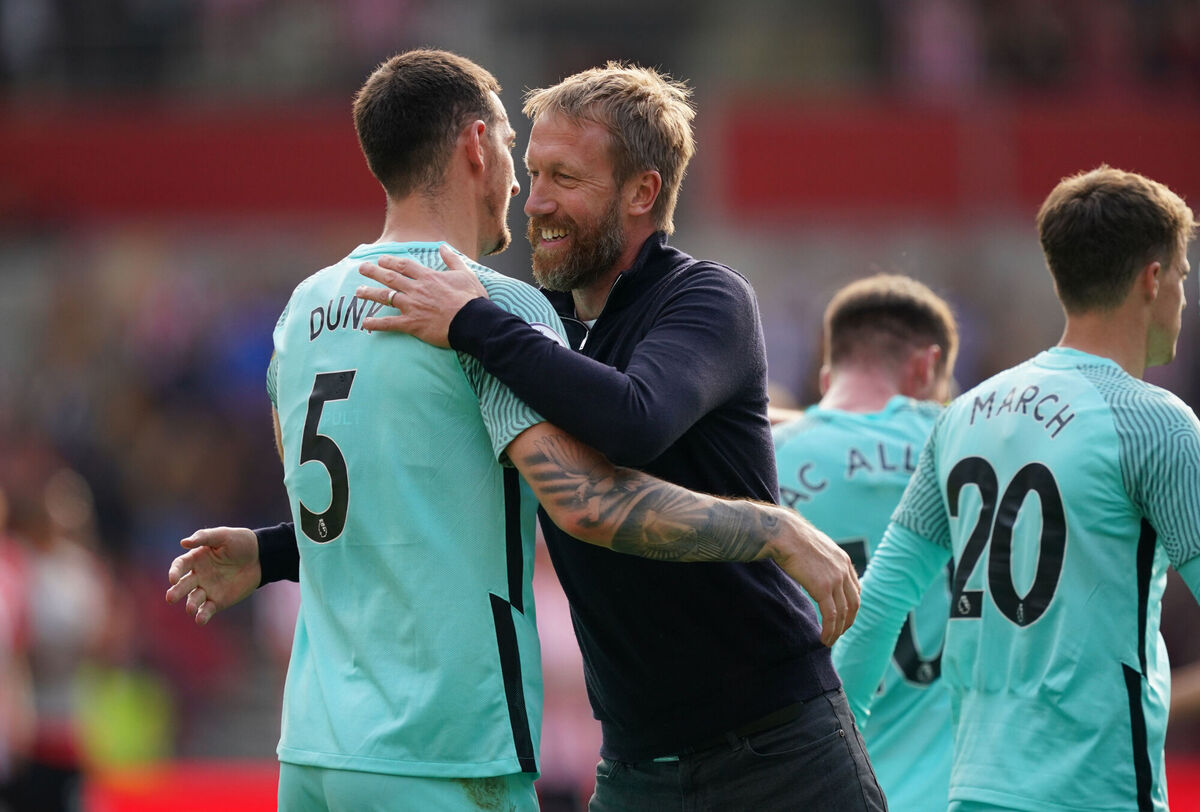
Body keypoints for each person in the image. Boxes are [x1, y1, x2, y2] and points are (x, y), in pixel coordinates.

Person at [172, 62, 884, 810]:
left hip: (772, 736)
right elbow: (439, 488)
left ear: (643, 192)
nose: (533, 199)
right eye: (532, 167)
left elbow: (633, 421)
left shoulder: (703, 298)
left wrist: (477, 323)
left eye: (564, 179)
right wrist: (282, 548)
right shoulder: (521, 321)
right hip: (636, 759)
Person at [832, 165, 1199, 812]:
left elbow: (875, 609)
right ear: (1153, 278)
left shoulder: (963, 416)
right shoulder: (1153, 423)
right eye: (1183, 276)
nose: (1183, 298)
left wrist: (830, 767)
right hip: (1097, 791)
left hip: (973, 791)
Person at [772, 273, 957, 812]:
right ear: (927, 366)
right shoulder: (971, 450)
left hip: (814, 787)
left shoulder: (758, 465)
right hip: (953, 794)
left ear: (828, 374)